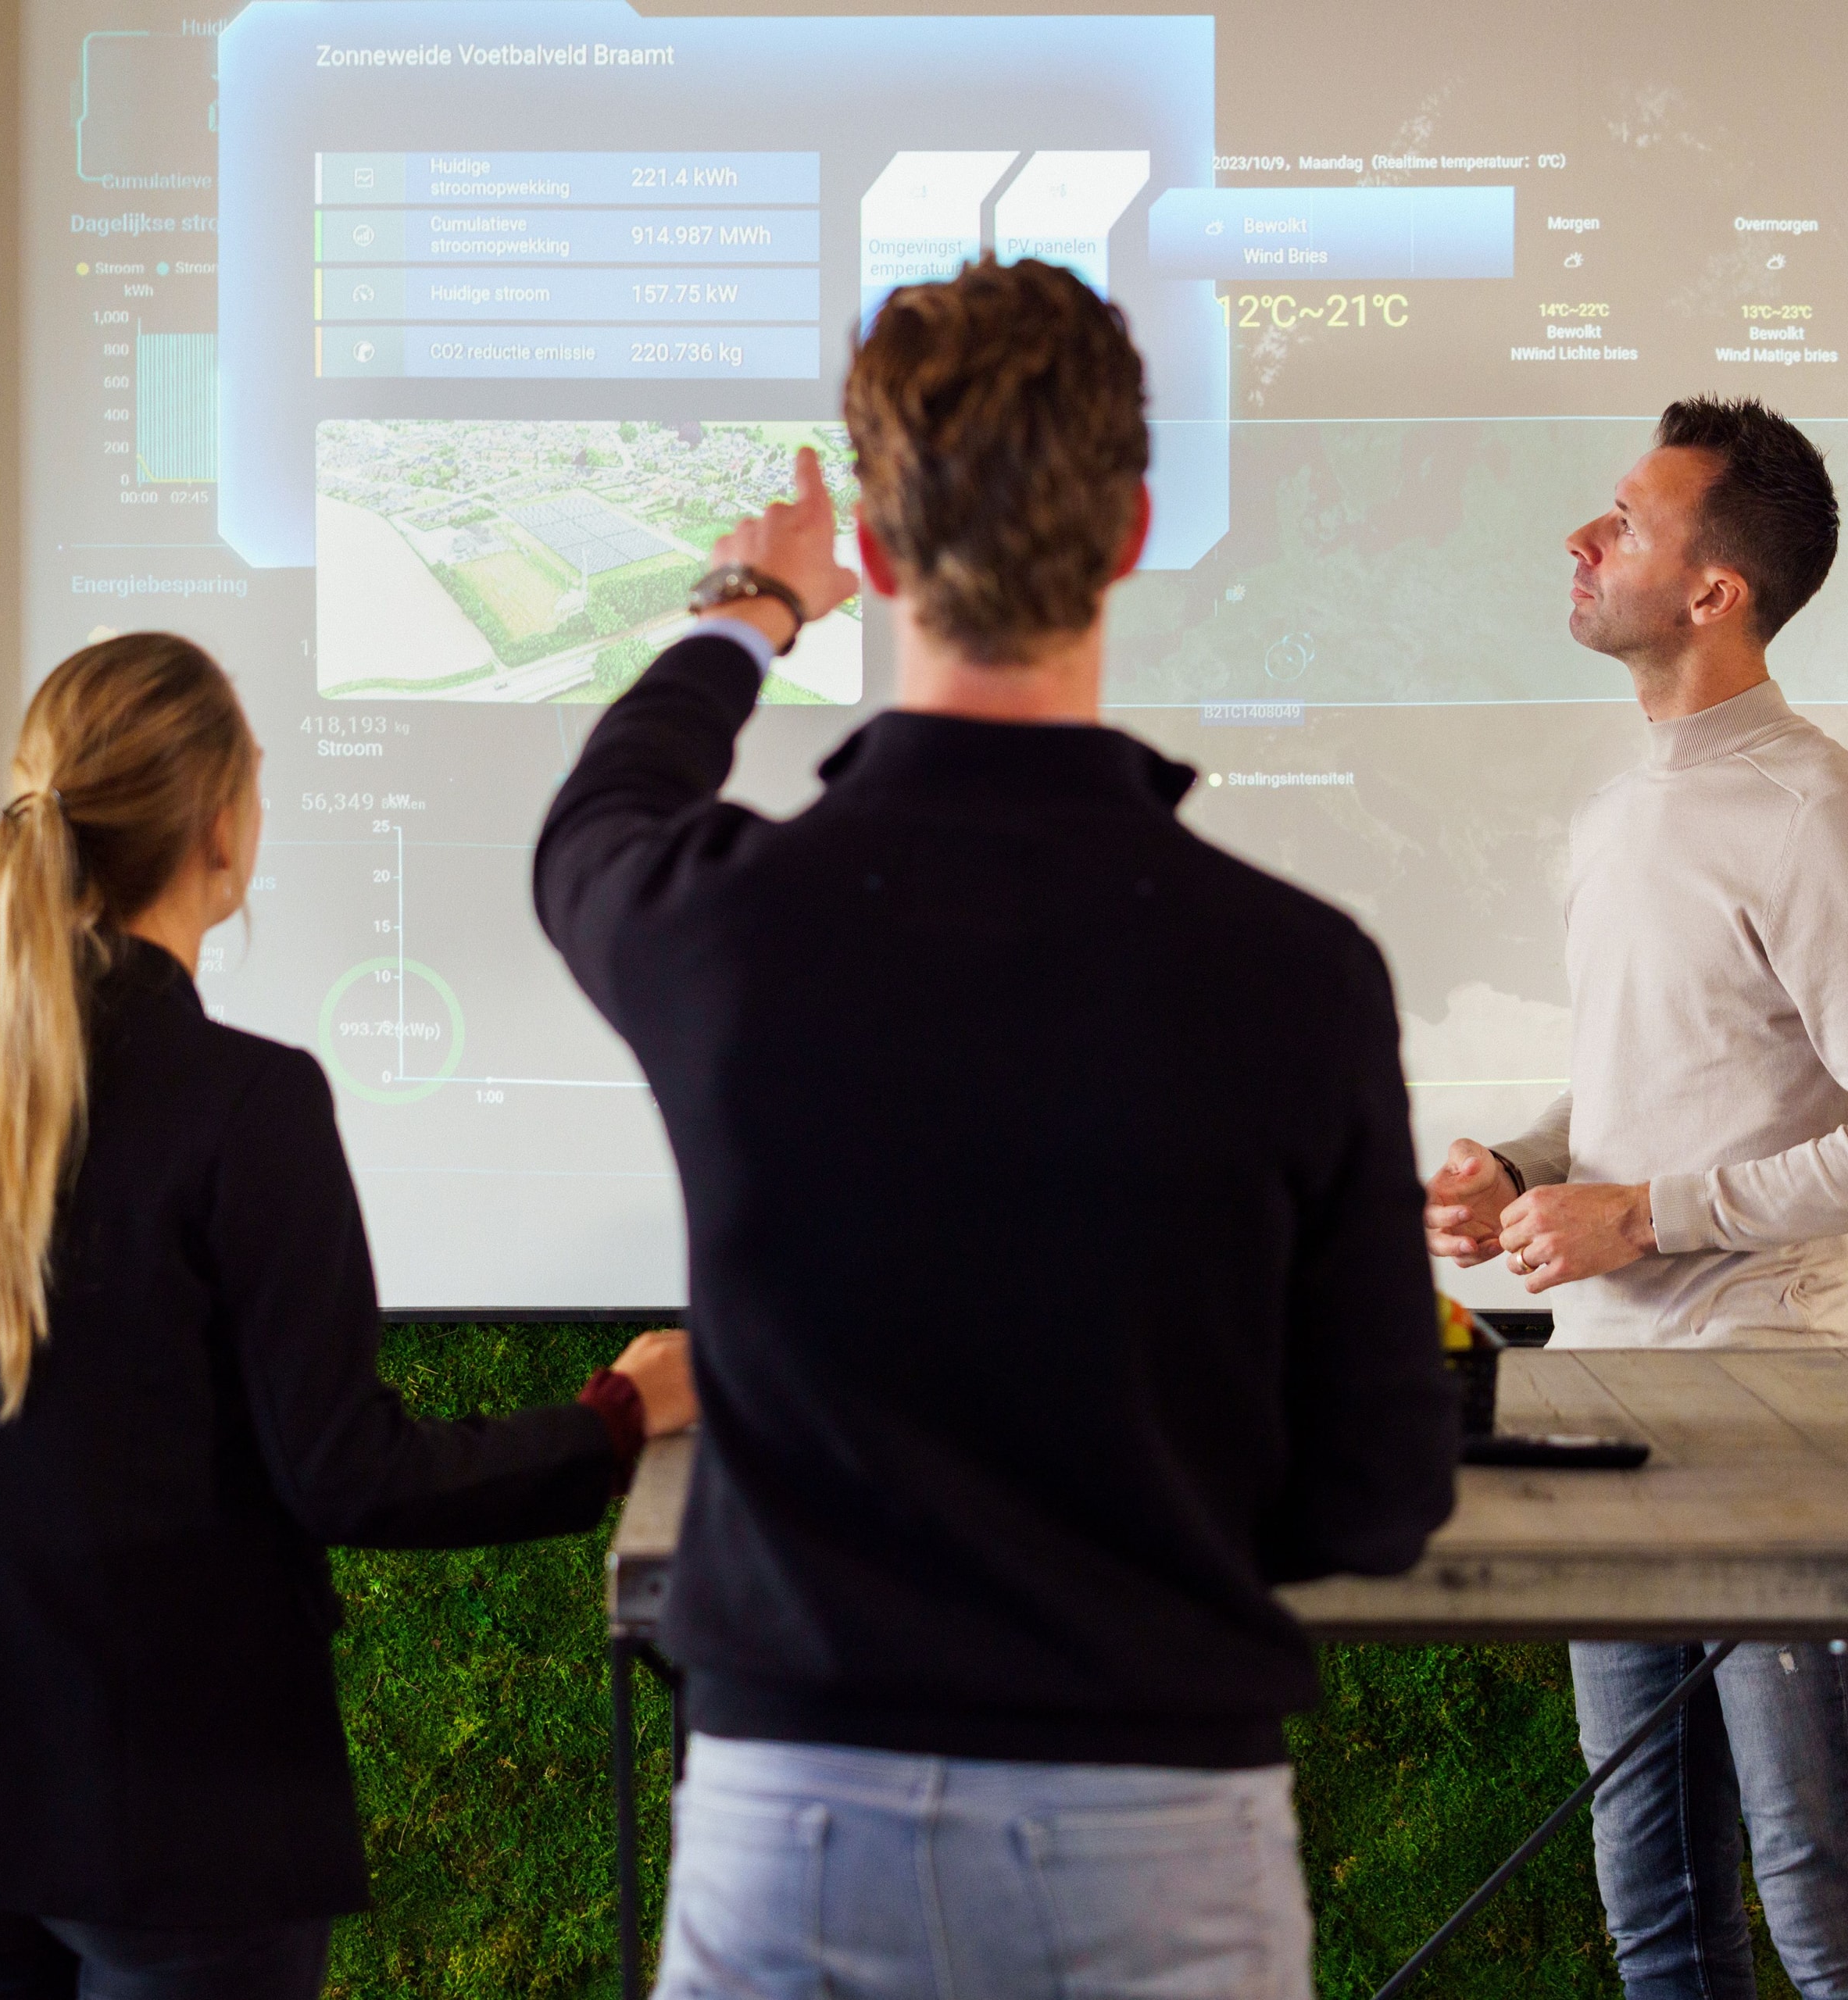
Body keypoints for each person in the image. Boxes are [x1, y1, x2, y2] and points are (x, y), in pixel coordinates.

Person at [531, 257, 1457, 1999]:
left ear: (875, 557)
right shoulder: (1300, 973)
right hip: (1155, 1827)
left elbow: (596, 819)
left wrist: (748, 603)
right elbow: (1380, 1487)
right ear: (1132, 530)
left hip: (791, 1814)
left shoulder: (727, 925)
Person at [0, 634, 695, 2000]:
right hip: (195, 1832)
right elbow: (346, 1476)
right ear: (224, 828)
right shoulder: (247, 1106)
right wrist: (614, 1419)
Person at [1421, 398, 1848, 1999]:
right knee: (1657, 1913)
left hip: (1775, 1421)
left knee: (1828, 1918)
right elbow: (1651, 1082)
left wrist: (1647, 1211)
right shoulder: (1623, 808)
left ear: (1713, 590)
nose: (1581, 541)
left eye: (1624, 520)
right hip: (1600, 1411)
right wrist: (1526, 1167)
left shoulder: (1824, 814)